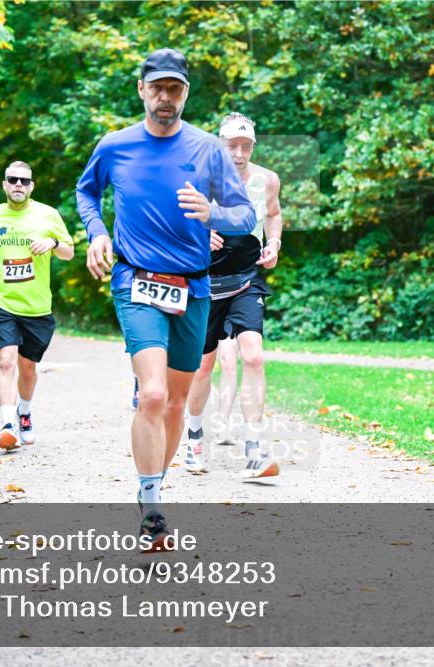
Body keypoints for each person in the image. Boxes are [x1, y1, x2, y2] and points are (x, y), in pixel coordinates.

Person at [76, 48, 255, 549]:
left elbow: (245, 215)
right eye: (156, 87)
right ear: (141, 90)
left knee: (177, 401)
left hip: (193, 286)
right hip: (135, 280)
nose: (164, 97)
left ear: (185, 94)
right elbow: (86, 192)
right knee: (152, 394)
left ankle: (152, 487)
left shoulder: (208, 150)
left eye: (174, 88)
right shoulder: (115, 146)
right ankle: (153, 508)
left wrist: (213, 214)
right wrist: (96, 233)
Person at [184, 112, 283, 480]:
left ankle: (254, 448)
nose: (239, 154)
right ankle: (194, 437)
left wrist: (274, 243)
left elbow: (273, 214)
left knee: (253, 357)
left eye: (246, 146)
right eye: (232, 147)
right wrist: (197, 235)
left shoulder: (267, 179)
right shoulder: (198, 179)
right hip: (205, 283)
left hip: (246, 279)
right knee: (203, 366)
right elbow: (171, 221)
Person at [0, 161, 74, 450]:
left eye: (24, 181)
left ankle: (24, 413)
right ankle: (8, 426)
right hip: (0, 301)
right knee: (6, 361)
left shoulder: (48, 214)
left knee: (28, 368)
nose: (19, 184)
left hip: (36, 307)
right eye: (13, 179)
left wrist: (52, 243)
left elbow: (69, 252)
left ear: (32, 186)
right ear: (5, 184)